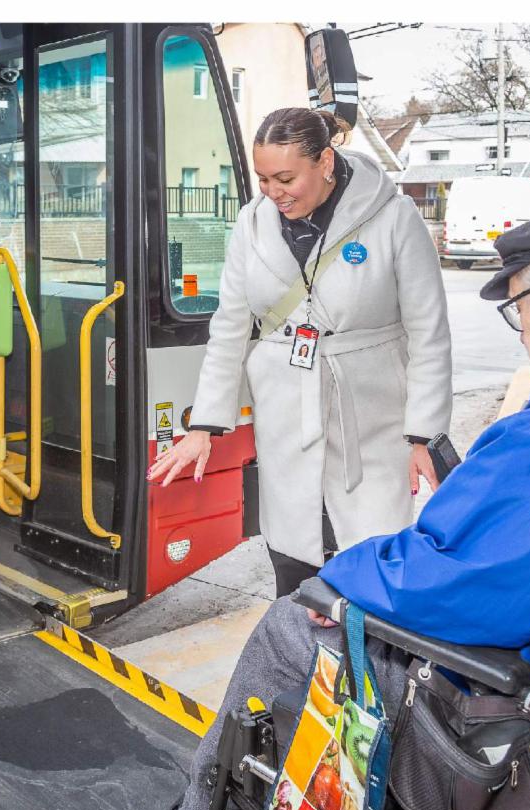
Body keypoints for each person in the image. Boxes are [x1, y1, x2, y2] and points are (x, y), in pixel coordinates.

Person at [173, 204, 530, 810]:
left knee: (291, 623)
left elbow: (450, 580)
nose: (521, 328)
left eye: (518, 307)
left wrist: (338, 580)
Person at [147, 107, 453, 597]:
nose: (273, 192)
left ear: (325, 162)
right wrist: (203, 425)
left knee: (368, 553)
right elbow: (230, 325)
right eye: (263, 178)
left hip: (370, 410)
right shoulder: (252, 223)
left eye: (286, 177)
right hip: (286, 405)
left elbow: (429, 331)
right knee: (294, 551)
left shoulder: (393, 216)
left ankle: (367, 660)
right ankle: (296, 651)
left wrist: (425, 435)